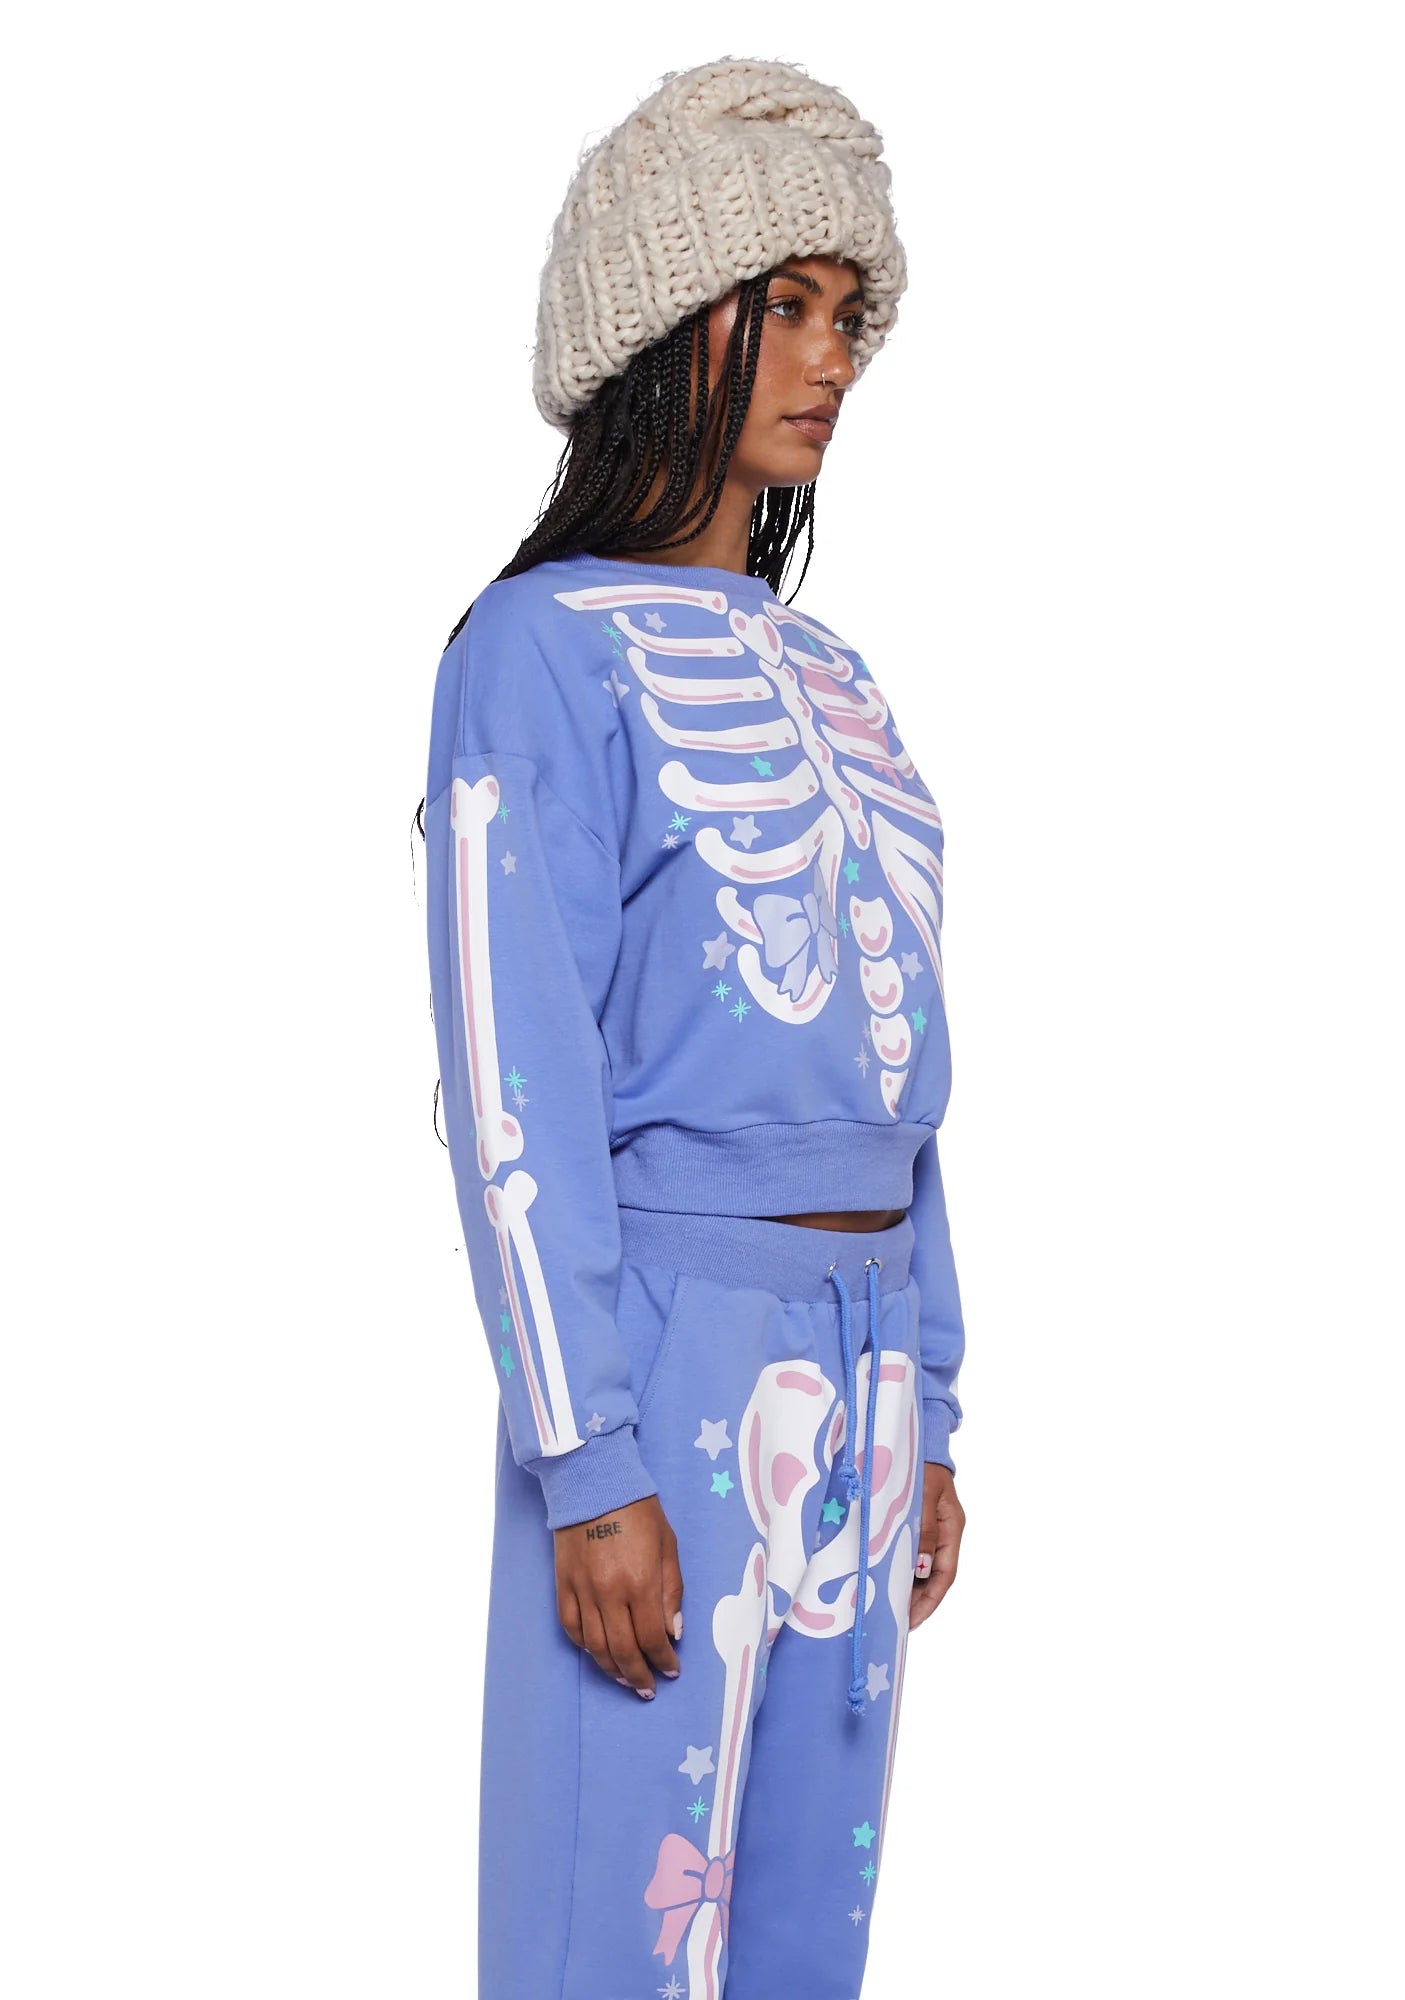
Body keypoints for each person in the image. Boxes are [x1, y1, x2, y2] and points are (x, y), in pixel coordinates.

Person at [420, 55, 969, 1998]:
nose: (831, 360)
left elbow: (897, 1075)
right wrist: (587, 1458)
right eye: (785, 306)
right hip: (671, 1358)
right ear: (669, 327)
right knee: (614, 1938)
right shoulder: (532, 652)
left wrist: (934, 1402)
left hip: (864, 1374)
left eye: (847, 315)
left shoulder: (838, 676)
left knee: (810, 1947)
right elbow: (515, 1080)